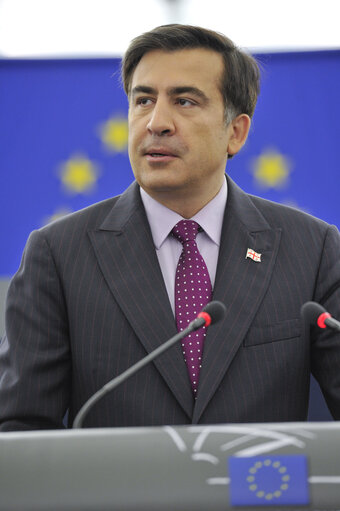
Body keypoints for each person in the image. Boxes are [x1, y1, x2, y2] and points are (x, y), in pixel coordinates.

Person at [0, 24, 340, 431]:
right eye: (143, 100)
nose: (156, 122)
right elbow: (19, 428)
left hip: (259, 491)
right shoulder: (58, 253)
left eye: (184, 101)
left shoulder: (312, 249)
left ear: (236, 132)